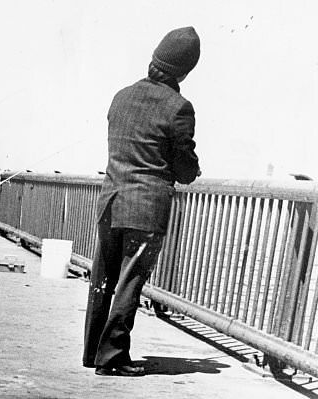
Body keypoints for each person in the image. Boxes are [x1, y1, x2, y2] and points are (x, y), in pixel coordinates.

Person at [83, 26, 202, 376]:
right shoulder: (179, 107)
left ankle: (92, 352)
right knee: (129, 282)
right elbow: (183, 167)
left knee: (102, 278)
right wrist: (191, 169)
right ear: (184, 71)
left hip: (110, 201)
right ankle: (112, 358)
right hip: (146, 207)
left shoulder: (121, 96)